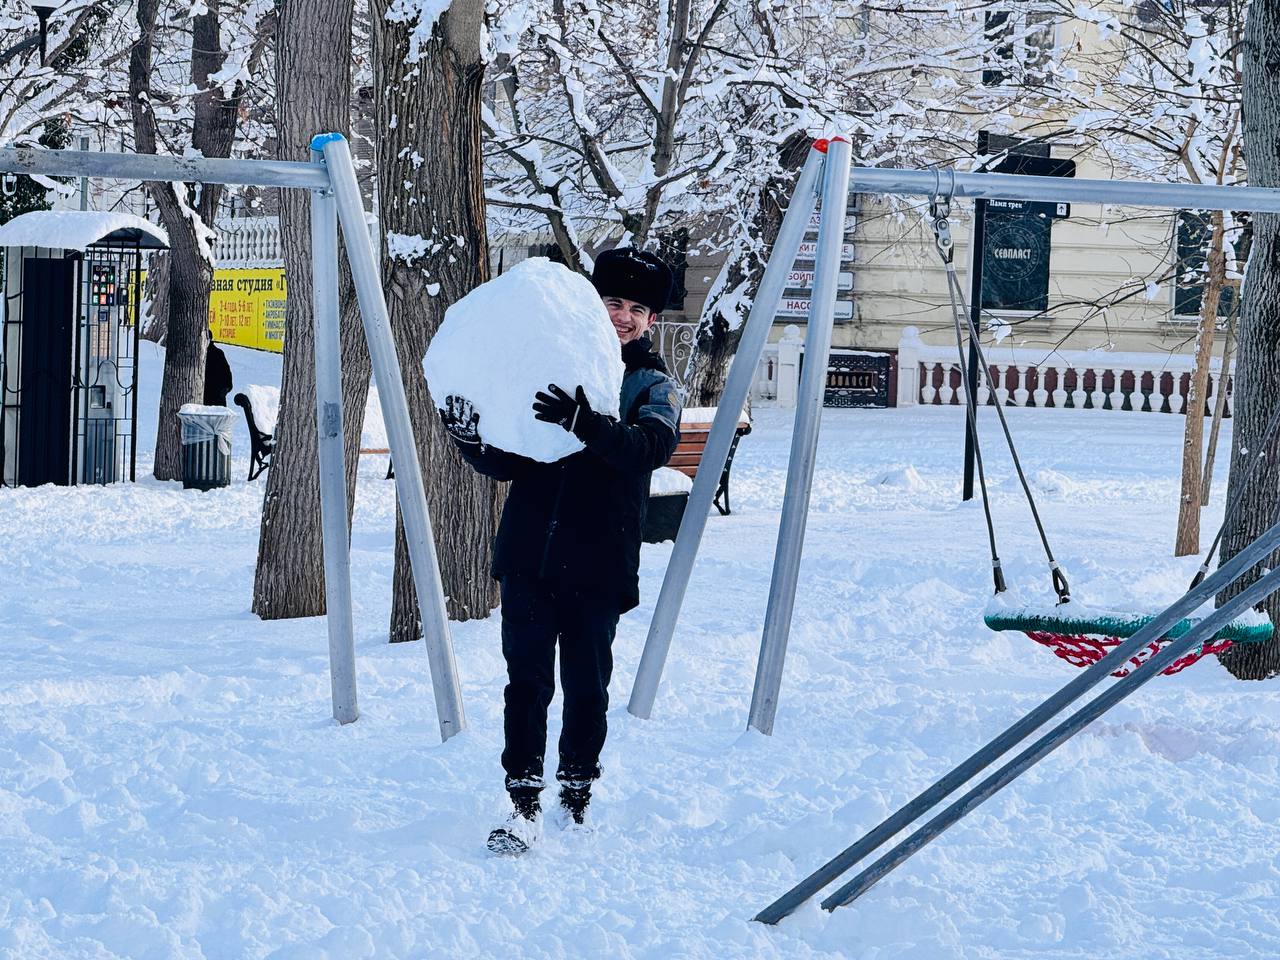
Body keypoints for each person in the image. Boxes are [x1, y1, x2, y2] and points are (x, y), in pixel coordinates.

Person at [441, 247, 682, 856]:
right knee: (526, 684)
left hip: (600, 562)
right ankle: (522, 803)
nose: (623, 316)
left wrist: (589, 423)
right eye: (613, 302)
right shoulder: (550, 363)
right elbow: (513, 458)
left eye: (637, 309)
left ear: (651, 321)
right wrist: (471, 440)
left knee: (585, 685)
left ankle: (575, 798)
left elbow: (647, 448)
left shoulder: (651, 384)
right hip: (528, 556)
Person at [203, 328, 233, 407]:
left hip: (217, 395)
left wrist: (226, 388)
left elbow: (227, 372)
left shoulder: (217, 353)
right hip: (204, 395)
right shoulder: (197, 353)